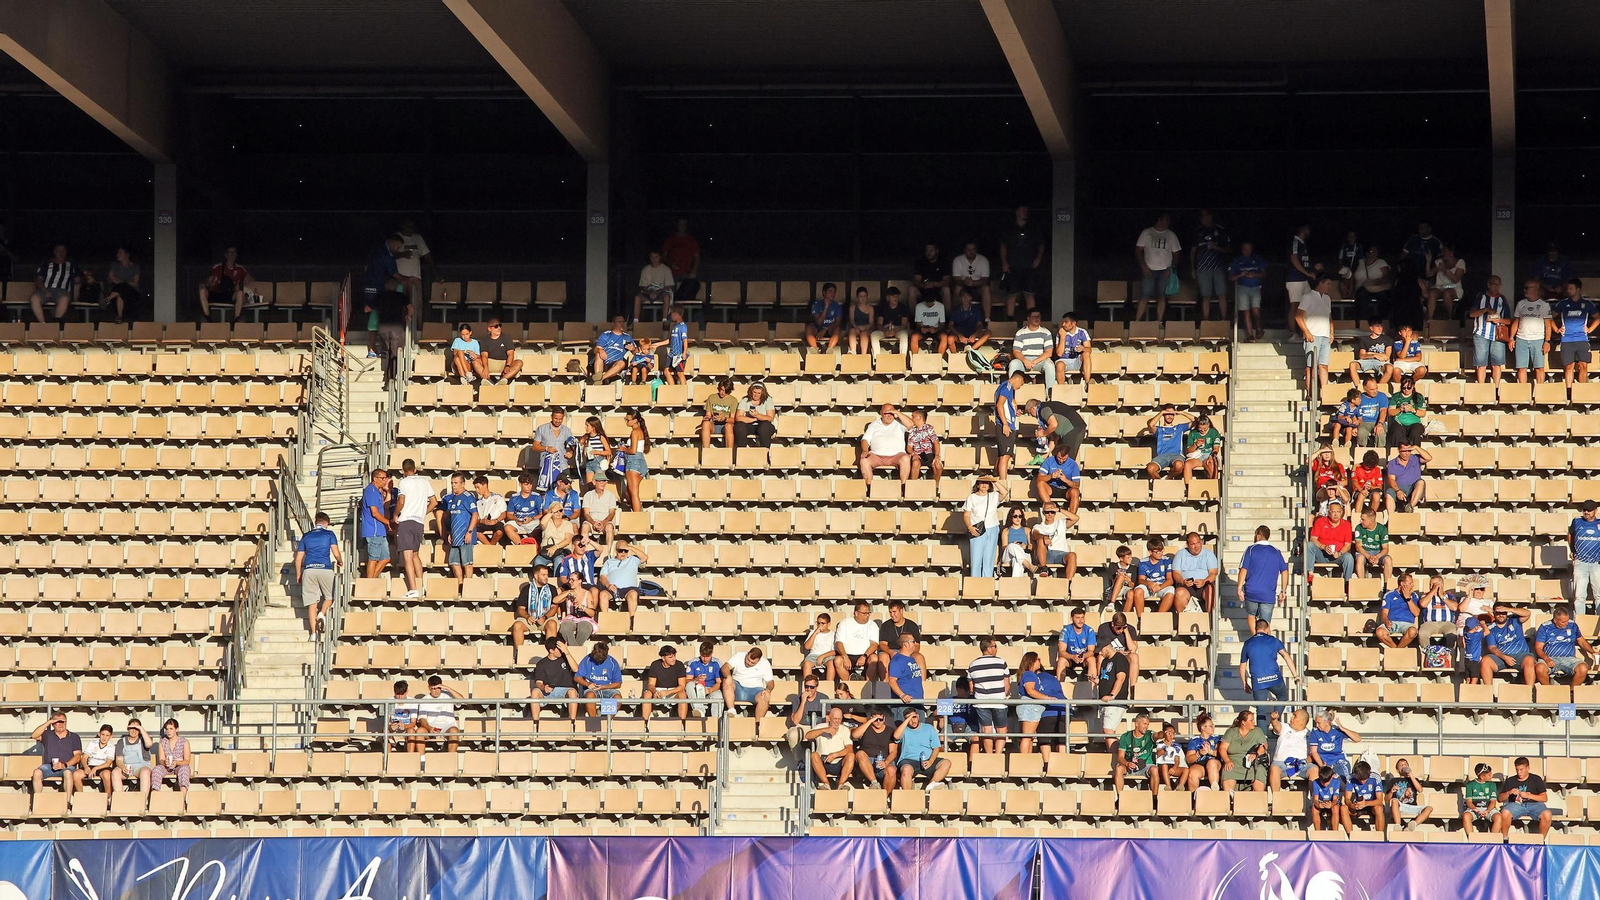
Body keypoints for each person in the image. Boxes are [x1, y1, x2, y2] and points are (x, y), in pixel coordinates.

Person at [392, 459, 436, 599]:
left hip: (406, 520)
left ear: (403, 470)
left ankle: (413, 588)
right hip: (419, 521)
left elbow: (401, 501)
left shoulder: (404, 482)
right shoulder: (424, 481)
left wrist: (395, 513)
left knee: (407, 557)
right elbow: (434, 502)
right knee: (416, 555)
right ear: (415, 469)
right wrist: (423, 512)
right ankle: (420, 585)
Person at [1239, 618, 1295, 724]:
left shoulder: (1248, 643)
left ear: (1255, 629)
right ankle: (1275, 721)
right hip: (1274, 678)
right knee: (1282, 696)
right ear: (1267, 628)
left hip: (1258, 680)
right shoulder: (1273, 640)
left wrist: (1245, 683)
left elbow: (1242, 667)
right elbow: (1286, 655)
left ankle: (1262, 738)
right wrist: (1295, 675)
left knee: (1261, 710)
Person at [294, 511, 342, 636]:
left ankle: (313, 634)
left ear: (315, 522)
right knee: (330, 597)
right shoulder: (329, 534)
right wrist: (340, 561)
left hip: (309, 570)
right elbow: (336, 553)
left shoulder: (306, 536)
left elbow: (298, 559)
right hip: (325, 569)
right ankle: (322, 613)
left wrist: (298, 574)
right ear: (327, 523)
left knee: (312, 604)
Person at [1236, 526, 1289, 634]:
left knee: (1251, 615)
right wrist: (1283, 590)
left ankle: (1255, 638)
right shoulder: (1276, 552)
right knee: (1266, 623)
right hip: (1268, 593)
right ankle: (1265, 644)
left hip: (1252, 591)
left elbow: (1244, 569)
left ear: (1258, 536)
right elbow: (1285, 571)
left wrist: (1239, 588)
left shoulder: (1250, 549)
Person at [1016, 652, 1067, 757]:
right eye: (1038, 659)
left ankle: (1027, 760)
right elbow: (1030, 691)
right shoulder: (1029, 674)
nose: (1040, 661)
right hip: (1030, 707)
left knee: (1029, 737)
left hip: (1031, 707)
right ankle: (1023, 761)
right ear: (1032, 661)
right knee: (1027, 737)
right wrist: (1047, 698)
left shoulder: (1030, 674)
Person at [966, 638, 1011, 755]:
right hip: (999, 701)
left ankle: (989, 755)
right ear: (989, 648)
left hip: (981, 702)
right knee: (1002, 730)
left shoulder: (972, 664)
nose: (997, 648)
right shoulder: (1001, 662)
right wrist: (1001, 695)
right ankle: (998, 755)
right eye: (995, 646)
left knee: (986, 730)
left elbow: (971, 688)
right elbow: (1007, 685)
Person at [1293, 272, 1335, 393]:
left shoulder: (1327, 298)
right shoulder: (1308, 297)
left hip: (1325, 335)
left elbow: (1329, 317)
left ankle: (1324, 392)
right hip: (1313, 334)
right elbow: (1298, 316)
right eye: (1327, 284)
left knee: (1323, 365)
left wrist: (1331, 332)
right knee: (1311, 365)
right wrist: (1306, 332)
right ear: (1320, 283)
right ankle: (1310, 391)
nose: (1329, 286)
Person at [1134, 213, 1181, 322]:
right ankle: (1136, 322)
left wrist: (1171, 268)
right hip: (1148, 270)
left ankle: (1159, 322)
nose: (1168, 223)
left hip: (1165, 270)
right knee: (1144, 295)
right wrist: (1143, 266)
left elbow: (1177, 254)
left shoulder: (1171, 235)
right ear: (1159, 220)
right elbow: (1138, 251)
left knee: (1162, 296)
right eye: (1166, 220)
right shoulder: (1147, 232)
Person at [1553, 278, 1599, 385]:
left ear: (1578, 289)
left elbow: (1597, 317)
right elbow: (1549, 317)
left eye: (1571, 288)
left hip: (1582, 339)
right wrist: (1556, 329)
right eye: (1567, 288)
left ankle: (1581, 391)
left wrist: (1590, 329)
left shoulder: (1587, 303)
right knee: (1569, 366)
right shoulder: (1563, 303)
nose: (1568, 290)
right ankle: (1569, 392)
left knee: (1583, 365)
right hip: (1567, 339)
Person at [1535, 605, 1595, 686]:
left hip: (1569, 659)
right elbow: (1538, 648)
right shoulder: (1545, 627)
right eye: (1563, 622)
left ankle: (1571, 692)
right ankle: (1548, 691)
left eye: (1567, 620)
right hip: (1550, 658)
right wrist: (1547, 659)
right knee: (1539, 668)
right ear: (1555, 620)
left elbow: (1581, 641)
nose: (1566, 623)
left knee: (1583, 668)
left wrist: (1592, 652)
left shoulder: (1572, 625)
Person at [437, 471, 479, 588]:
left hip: (466, 536)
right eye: (452, 483)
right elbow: (453, 517)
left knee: (467, 563)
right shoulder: (453, 499)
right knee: (454, 562)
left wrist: (469, 532)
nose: (453, 485)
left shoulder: (468, 497)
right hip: (455, 536)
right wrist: (450, 532)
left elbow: (475, 515)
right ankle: (461, 585)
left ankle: (469, 586)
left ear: (463, 484)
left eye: (456, 483)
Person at [29, 713, 83, 801]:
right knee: (36, 773)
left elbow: (77, 756)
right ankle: (37, 802)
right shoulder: (47, 735)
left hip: (67, 766)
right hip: (50, 766)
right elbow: (34, 735)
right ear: (53, 724)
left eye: (63, 721)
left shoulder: (74, 737)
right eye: (57, 722)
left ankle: (67, 803)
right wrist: (48, 722)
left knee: (67, 773)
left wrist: (65, 765)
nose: (61, 724)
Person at [1469, 276, 1513, 383]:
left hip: (1498, 335)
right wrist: (1485, 310)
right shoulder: (1481, 297)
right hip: (1480, 333)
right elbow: (1471, 314)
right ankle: (1481, 387)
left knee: (1497, 364)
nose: (1496, 287)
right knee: (1481, 364)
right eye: (1494, 284)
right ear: (1488, 285)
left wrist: (1499, 320)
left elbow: (1509, 320)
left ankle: (1496, 389)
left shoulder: (1502, 299)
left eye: (1498, 285)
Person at [1496, 756, 1553, 837]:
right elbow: (1500, 798)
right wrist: (1509, 792)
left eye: (1521, 769)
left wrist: (1529, 795)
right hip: (1516, 804)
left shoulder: (1536, 779)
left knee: (1547, 814)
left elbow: (1544, 798)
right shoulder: (1511, 780)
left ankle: (1541, 840)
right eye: (1517, 770)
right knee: (1505, 813)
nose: (1519, 772)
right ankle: (1504, 839)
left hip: (1535, 805)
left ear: (1528, 768)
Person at [1190, 208, 1231, 320]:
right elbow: (1193, 251)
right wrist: (1193, 268)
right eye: (1203, 216)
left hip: (1218, 267)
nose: (1205, 218)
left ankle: (1223, 319)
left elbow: (1228, 250)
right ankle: (1206, 321)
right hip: (1203, 268)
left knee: (1222, 294)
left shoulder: (1220, 230)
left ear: (1211, 216)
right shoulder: (1198, 231)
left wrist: (1216, 247)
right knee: (1205, 296)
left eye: (1207, 215)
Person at [893, 709, 950, 789]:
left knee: (946, 763)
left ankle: (931, 785)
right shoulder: (903, 729)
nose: (913, 721)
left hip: (927, 759)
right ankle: (906, 796)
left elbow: (936, 747)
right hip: (909, 760)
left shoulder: (929, 728)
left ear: (918, 716)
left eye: (914, 717)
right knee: (906, 769)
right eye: (909, 718)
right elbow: (896, 736)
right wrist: (907, 720)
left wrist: (930, 761)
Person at [1512, 277, 1554, 384]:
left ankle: (1540, 394)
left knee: (1539, 368)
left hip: (1538, 339)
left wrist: (1547, 341)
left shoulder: (1544, 305)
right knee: (1521, 368)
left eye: (1527, 288)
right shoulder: (1520, 304)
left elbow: (1548, 325)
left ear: (1536, 289)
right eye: (1524, 288)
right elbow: (1516, 321)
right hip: (1521, 339)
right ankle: (1523, 394)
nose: (1525, 290)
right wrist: (1511, 338)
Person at [963, 476, 1006, 578]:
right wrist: (970, 527)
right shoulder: (971, 498)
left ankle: (987, 583)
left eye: (986, 483)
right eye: (982, 483)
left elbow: (1004, 492)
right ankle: (975, 583)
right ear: (977, 484)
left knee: (989, 559)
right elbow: (966, 515)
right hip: (977, 529)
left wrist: (994, 481)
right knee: (976, 559)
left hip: (992, 528)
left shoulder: (993, 496)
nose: (984, 485)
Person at [1483, 604, 1536, 684]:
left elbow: (1527, 613)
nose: (1501, 615)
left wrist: (1509, 609)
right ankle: (1489, 693)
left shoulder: (1514, 620)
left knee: (1529, 660)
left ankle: (1529, 692)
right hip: (1502, 656)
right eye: (1498, 613)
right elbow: (1492, 648)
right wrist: (1504, 657)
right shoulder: (1491, 628)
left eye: (1503, 612)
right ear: (1494, 613)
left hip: (1520, 654)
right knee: (1485, 661)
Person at [196, 246, 253, 321]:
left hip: (230, 295)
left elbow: (251, 281)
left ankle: (237, 318)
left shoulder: (240, 269)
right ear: (226, 255)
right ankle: (207, 317)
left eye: (234, 253)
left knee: (240, 293)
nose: (232, 255)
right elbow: (207, 280)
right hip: (216, 293)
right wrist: (206, 283)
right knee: (202, 290)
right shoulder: (217, 267)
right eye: (230, 252)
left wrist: (242, 285)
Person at [1218, 709, 1270, 792]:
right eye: (1251, 720)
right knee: (1228, 769)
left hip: (1253, 761)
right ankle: (1229, 797)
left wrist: (1256, 754)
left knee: (1260, 770)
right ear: (1243, 722)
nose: (1254, 722)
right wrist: (1227, 761)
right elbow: (1222, 748)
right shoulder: (1231, 732)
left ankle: (1259, 798)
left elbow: (1264, 746)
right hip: (1234, 761)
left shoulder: (1257, 731)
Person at [859, 403, 911, 485]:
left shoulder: (900, 424)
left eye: (891, 413)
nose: (889, 415)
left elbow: (911, 424)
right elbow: (865, 440)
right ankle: (869, 487)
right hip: (876, 456)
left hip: (896, 455)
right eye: (886, 413)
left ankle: (903, 486)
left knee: (905, 458)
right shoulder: (873, 425)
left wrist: (897, 412)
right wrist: (865, 450)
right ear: (881, 413)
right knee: (864, 460)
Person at [1026, 397, 1088, 463]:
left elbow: (1054, 425)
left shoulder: (1043, 409)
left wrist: (1043, 433)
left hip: (1072, 430)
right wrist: (1044, 456)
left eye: (1030, 413)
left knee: (1066, 460)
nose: (1032, 416)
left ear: (1032, 408)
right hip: (1075, 429)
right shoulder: (1046, 413)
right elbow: (1054, 438)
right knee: (1065, 459)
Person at [806, 707, 856, 789]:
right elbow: (808, 736)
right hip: (823, 761)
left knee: (851, 755)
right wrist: (824, 730)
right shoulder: (821, 727)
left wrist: (835, 755)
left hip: (839, 761)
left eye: (839, 719)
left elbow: (849, 748)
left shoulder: (845, 730)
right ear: (829, 718)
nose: (837, 721)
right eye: (835, 719)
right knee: (814, 755)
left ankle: (841, 784)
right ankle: (826, 784)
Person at [530, 638, 580, 720]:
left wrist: (567, 652)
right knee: (535, 692)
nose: (561, 650)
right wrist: (544, 688)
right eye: (559, 649)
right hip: (549, 691)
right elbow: (539, 682)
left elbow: (576, 669)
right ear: (551, 650)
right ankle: (536, 723)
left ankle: (572, 722)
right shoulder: (541, 664)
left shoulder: (566, 658)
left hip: (566, 690)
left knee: (572, 692)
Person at [511, 565, 559, 648]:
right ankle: (518, 654)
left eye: (547, 575)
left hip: (546, 618)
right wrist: (527, 617)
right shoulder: (526, 589)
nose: (546, 577)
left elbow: (554, 607)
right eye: (543, 575)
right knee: (517, 625)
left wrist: (545, 617)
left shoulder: (552, 588)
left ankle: (551, 653)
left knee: (552, 624)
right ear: (536, 576)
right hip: (530, 618)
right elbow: (520, 609)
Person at [1171, 531, 1219, 614]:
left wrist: (1204, 581)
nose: (1196, 546)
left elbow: (1213, 573)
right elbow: (1176, 573)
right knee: (1179, 593)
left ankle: (1209, 619)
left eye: (1198, 543)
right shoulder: (1180, 554)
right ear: (1187, 544)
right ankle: (1182, 621)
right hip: (1186, 585)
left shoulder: (1209, 554)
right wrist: (1183, 581)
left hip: (1204, 584)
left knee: (1210, 590)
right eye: (1193, 544)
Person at [1228, 240, 1267, 340]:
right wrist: (1240, 275)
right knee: (1246, 311)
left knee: (1256, 309)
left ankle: (1258, 328)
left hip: (1255, 287)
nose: (1247, 251)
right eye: (1245, 249)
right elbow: (1230, 277)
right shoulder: (1237, 261)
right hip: (1242, 287)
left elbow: (1264, 274)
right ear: (1242, 249)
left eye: (1249, 249)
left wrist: (1255, 275)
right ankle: (1250, 335)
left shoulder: (1257, 259)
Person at [640, 644, 691, 720]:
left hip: (674, 691)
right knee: (647, 694)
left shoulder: (679, 665)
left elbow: (682, 686)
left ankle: (682, 723)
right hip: (658, 690)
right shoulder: (655, 665)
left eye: (674, 656)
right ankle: (645, 723)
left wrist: (668, 692)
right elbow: (651, 684)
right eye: (670, 657)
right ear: (663, 658)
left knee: (683, 695)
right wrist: (655, 691)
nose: (673, 659)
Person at [596, 540, 647, 615]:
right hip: (612, 588)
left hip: (629, 589)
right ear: (616, 550)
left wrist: (631, 548)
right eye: (620, 550)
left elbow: (645, 557)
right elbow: (602, 576)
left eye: (625, 550)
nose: (623, 553)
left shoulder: (633, 559)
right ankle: (605, 618)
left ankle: (631, 620)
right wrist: (608, 585)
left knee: (633, 594)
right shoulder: (609, 562)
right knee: (603, 594)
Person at [1008, 309, 1056, 388]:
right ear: (1028, 319)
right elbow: (1016, 351)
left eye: (1038, 317)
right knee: (1013, 364)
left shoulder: (1046, 332)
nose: (1037, 319)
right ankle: (1011, 392)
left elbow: (1049, 352)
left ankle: (1050, 393)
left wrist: (1035, 361)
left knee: (1050, 365)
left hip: (1040, 360)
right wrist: (1025, 360)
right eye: (1034, 317)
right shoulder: (1020, 333)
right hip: (1024, 360)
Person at [411, 676, 463, 749]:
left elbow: (463, 700)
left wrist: (448, 688)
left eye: (438, 688)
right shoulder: (425, 700)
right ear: (429, 688)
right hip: (431, 727)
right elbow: (423, 719)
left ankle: (451, 758)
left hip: (447, 727)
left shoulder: (448, 695)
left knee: (454, 731)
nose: (436, 691)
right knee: (420, 731)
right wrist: (429, 728)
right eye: (433, 688)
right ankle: (422, 759)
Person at [1031, 440, 1082, 514]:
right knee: (1040, 484)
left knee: (1075, 492)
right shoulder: (1049, 461)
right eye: (1059, 458)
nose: (1061, 461)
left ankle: (1072, 516)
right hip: (1051, 488)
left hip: (1066, 490)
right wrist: (1051, 476)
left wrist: (1066, 480)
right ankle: (1050, 509)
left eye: (1063, 459)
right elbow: (1039, 479)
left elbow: (1077, 485)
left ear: (1067, 455)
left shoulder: (1073, 464)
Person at [1307, 712, 1361, 782]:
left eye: (1319, 723)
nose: (1317, 725)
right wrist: (1322, 766)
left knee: (1344, 779)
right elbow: (1314, 752)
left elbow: (1358, 739)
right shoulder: (1315, 732)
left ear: (1326, 722)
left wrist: (1343, 729)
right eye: (1316, 723)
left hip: (1338, 762)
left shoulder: (1337, 730)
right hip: (1323, 763)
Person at [661, 217, 701, 312]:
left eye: (684, 224)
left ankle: (694, 318)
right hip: (672, 274)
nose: (682, 226)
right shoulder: (671, 240)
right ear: (677, 226)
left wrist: (694, 271)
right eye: (680, 224)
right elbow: (664, 256)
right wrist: (671, 264)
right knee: (670, 296)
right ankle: (669, 318)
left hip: (687, 273)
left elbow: (697, 257)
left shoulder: (691, 240)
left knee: (692, 289)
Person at [851, 711, 897, 792]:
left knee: (891, 770)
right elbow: (855, 735)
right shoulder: (865, 728)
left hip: (883, 760)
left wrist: (885, 763)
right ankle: (874, 783)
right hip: (866, 762)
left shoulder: (890, 731)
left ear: (884, 719)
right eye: (876, 719)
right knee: (860, 753)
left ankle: (884, 798)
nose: (878, 722)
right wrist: (869, 721)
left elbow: (893, 752)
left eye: (880, 719)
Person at [722, 647, 774, 718]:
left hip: (755, 690)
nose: (749, 663)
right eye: (748, 660)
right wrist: (728, 676)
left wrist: (768, 690)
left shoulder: (765, 663)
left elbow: (770, 682)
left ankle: (757, 724)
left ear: (758, 660)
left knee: (765, 697)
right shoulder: (739, 656)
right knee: (726, 681)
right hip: (737, 687)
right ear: (747, 654)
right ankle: (731, 710)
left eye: (752, 663)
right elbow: (725, 667)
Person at [576, 641, 624, 718]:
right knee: (590, 696)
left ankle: (605, 722)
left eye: (601, 659)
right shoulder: (587, 660)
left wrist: (604, 687)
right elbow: (577, 677)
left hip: (607, 689)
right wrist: (588, 684)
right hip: (591, 689)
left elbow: (618, 683)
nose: (598, 660)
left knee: (618, 698)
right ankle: (594, 722)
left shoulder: (612, 662)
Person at [1031, 503, 1080, 580]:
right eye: (1047, 512)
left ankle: (1068, 584)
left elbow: (1076, 518)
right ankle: (1043, 568)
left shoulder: (1061, 523)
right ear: (1043, 513)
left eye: (1052, 511)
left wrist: (1059, 509)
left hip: (1061, 554)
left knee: (1072, 555)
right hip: (1046, 554)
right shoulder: (1038, 526)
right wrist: (1044, 537)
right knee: (1040, 540)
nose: (1050, 514)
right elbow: (1035, 534)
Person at [832, 602, 878, 682]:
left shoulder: (872, 625)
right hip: (847, 654)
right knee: (837, 660)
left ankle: (867, 686)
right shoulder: (845, 623)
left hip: (865, 655)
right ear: (856, 613)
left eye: (868, 613)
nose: (867, 615)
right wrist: (845, 656)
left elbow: (874, 645)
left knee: (874, 658)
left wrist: (864, 656)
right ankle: (849, 684)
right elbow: (839, 642)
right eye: (864, 613)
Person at [360, 469, 393, 578]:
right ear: (375, 478)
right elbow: (374, 512)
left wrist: (388, 491)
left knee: (385, 558)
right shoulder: (371, 491)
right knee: (373, 559)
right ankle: (369, 582)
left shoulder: (378, 492)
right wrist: (387, 522)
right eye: (383, 478)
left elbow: (385, 506)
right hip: (373, 530)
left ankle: (371, 580)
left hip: (379, 531)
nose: (385, 480)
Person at [1425, 243, 1465, 333]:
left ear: (1451, 252)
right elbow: (1429, 274)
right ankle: (1430, 319)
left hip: (1454, 288)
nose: (1443, 253)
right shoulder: (1439, 261)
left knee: (1447, 293)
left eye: (1445, 251)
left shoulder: (1460, 262)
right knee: (1432, 293)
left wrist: (1445, 271)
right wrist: (1428, 261)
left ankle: (1449, 317)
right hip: (1440, 287)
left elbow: (1456, 279)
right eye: (1442, 251)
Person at [1112, 712, 1156, 793]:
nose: (1146, 727)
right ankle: (1120, 798)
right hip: (1130, 765)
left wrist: (1163, 734)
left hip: (1146, 765)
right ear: (1136, 724)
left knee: (1155, 769)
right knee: (1119, 768)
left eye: (1148, 724)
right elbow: (1120, 757)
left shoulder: (1150, 734)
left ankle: (1154, 799)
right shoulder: (1125, 736)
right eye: (1144, 724)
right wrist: (1127, 763)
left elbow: (1157, 736)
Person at [531, 409, 575, 490]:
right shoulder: (541, 429)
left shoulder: (567, 430)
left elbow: (573, 445)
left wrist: (571, 452)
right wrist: (546, 448)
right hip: (546, 465)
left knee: (566, 490)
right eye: (556, 418)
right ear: (551, 417)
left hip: (562, 465)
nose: (558, 421)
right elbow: (535, 446)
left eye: (560, 419)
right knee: (545, 491)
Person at [1350, 243, 1393, 327]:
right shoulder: (1360, 262)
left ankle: (1382, 322)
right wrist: (1351, 291)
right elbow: (1352, 276)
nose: (1374, 253)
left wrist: (1377, 282)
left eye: (1375, 251)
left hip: (1377, 288)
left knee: (1384, 297)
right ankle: (1363, 322)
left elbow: (1386, 276)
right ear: (1367, 253)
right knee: (1361, 296)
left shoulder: (1381, 262)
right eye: (1371, 251)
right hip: (1362, 288)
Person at [1386, 758, 1434, 831]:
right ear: (1397, 770)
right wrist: (1391, 792)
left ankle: (1413, 824)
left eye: (1405, 764)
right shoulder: (1393, 781)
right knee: (1394, 801)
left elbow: (1420, 790)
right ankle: (1398, 826)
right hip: (1400, 806)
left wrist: (1410, 775)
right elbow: (1386, 800)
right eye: (1401, 765)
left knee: (1429, 808)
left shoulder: (1414, 780)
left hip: (1413, 806)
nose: (1403, 766)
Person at [1269, 709, 1311, 791]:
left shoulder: (1310, 734)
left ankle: (1315, 801)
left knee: (1314, 770)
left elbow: (1312, 753)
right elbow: (1277, 726)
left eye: (1295, 716)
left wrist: (1305, 761)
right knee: (1274, 769)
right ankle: (1276, 798)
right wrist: (1274, 719)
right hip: (1281, 763)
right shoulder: (1285, 727)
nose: (1291, 717)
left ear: (1302, 721)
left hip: (1301, 764)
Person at [993, 370, 1024, 481]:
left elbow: (1008, 404)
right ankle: (1003, 482)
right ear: (1019, 379)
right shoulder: (1007, 387)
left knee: (1003, 455)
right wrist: (1005, 424)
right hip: (1005, 424)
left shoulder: (1007, 388)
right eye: (1021, 384)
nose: (1020, 387)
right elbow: (999, 404)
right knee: (1005, 456)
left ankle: (998, 479)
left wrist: (1015, 411)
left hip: (1007, 423)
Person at [113, 719, 155, 799]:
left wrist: (141, 728)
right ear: (128, 729)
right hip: (126, 767)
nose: (134, 730)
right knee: (115, 772)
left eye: (136, 728)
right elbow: (119, 760)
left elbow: (149, 744)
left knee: (145, 772)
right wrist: (122, 767)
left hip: (141, 767)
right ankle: (120, 800)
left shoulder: (143, 739)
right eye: (132, 728)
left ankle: (143, 800)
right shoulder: (121, 742)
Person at [1377, 572, 1421, 648]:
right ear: (1402, 584)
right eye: (1410, 583)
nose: (1412, 585)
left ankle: (1397, 650)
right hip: (1392, 623)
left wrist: (1408, 598)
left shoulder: (1413, 595)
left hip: (1407, 624)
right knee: (1379, 632)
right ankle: (1396, 649)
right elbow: (1384, 614)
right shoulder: (1389, 595)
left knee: (1412, 631)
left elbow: (1416, 613)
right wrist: (1386, 621)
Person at [1571, 500, 1600, 617]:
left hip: (1597, 562)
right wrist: (1573, 550)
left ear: (1595, 510)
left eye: (1589, 510)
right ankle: (1580, 622)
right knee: (1579, 596)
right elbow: (1570, 534)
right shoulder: (1577, 521)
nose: (1586, 512)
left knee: (1598, 595)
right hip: (1581, 562)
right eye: (1584, 510)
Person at [101, 247, 144, 324]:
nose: (118, 254)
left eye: (120, 253)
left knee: (123, 285)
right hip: (117, 291)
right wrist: (115, 281)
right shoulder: (114, 265)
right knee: (120, 293)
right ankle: (119, 317)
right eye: (117, 253)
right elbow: (110, 278)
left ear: (127, 255)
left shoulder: (135, 267)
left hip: (131, 293)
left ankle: (107, 299)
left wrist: (122, 282)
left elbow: (135, 283)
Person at [1384, 443, 1430, 514]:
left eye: (1409, 451)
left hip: (1414, 488)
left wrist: (1416, 447)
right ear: (1399, 450)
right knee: (1389, 493)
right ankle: (1391, 518)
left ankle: (1409, 508)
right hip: (1399, 488)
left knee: (1421, 482)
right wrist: (1398, 491)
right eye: (1404, 451)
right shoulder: (1392, 463)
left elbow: (1429, 458)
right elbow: (1391, 480)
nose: (1407, 453)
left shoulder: (1415, 458)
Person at [475, 318, 523, 385]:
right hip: (490, 363)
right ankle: (488, 380)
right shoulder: (485, 340)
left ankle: (501, 380)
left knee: (519, 362)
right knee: (475, 362)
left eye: (500, 325)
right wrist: (486, 367)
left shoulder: (507, 338)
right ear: (489, 329)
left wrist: (508, 365)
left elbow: (511, 354)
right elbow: (484, 355)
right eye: (496, 326)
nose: (499, 328)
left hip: (504, 363)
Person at [633, 250, 676, 324]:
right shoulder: (645, 269)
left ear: (660, 257)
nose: (654, 259)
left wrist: (656, 292)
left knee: (666, 297)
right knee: (637, 298)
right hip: (648, 292)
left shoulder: (666, 269)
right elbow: (643, 286)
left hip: (661, 292)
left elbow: (668, 286)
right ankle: (636, 321)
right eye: (652, 257)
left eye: (656, 257)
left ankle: (664, 320)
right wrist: (650, 293)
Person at [952, 242, 993, 319]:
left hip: (978, 288)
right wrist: (965, 282)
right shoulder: (958, 260)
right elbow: (956, 279)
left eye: (973, 249)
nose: (971, 251)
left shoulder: (983, 260)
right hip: (963, 287)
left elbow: (986, 280)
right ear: (965, 250)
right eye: (969, 249)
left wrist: (973, 283)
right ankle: (955, 318)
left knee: (986, 288)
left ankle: (987, 319)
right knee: (957, 288)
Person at [1344, 760, 1387, 832]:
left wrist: (1365, 804)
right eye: (1360, 779)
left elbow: (1379, 800)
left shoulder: (1376, 778)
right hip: (1357, 804)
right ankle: (1350, 836)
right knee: (1343, 808)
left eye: (1364, 779)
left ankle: (1380, 837)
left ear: (1369, 774)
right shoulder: (1350, 778)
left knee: (1379, 808)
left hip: (1372, 805)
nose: (1362, 782)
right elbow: (1347, 798)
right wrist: (1352, 805)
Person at [945, 288, 991, 356]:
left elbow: (980, 325)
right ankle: (955, 357)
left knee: (988, 333)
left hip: (972, 331)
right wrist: (959, 335)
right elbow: (950, 325)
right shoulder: (956, 309)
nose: (965, 298)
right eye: (963, 296)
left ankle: (970, 351)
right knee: (950, 339)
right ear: (960, 298)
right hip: (959, 331)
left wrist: (975, 334)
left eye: (967, 296)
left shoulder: (976, 309)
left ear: (970, 298)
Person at [592, 316, 636, 384]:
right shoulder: (606, 335)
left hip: (615, 363)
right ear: (613, 324)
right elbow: (596, 349)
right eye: (619, 322)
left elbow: (637, 352)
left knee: (622, 363)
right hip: (604, 361)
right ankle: (598, 375)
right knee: (598, 355)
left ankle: (600, 379)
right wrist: (600, 350)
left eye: (623, 322)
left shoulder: (627, 337)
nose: (622, 324)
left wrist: (633, 349)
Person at [1183, 713, 1223, 790]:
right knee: (1193, 772)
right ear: (1203, 728)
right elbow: (1189, 759)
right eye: (1210, 726)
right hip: (1200, 763)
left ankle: (1215, 789)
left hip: (1214, 763)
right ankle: (1193, 796)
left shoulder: (1217, 739)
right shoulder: (1194, 740)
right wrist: (1199, 753)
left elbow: (1221, 753)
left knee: (1211, 763)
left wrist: (1210, 751)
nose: (1213, 727)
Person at [1349, 320, 1394, 386]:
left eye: (1381, 326)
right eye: (1377, 326)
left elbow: (1386, 356)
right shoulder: (1364, 339)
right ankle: (1358, 388)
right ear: (1371, 328)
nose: (1380, 328)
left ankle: (1379, 388)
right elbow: (1361, 356)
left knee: (1390, 368)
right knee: (1352, 365)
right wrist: (1374, 355)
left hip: (1380, 362)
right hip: (1367, 361)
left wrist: (1369, 353)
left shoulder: (1387, 339)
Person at [1181, 413, 1223, 483]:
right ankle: (1188, 487)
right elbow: (1188, 451)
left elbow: (1216, 448)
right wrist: (1195, 445)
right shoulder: (1193, 433)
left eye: (1205, 429)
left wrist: (1211, 456)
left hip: (1209, 455)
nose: (1202, 430)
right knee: (1187, 464)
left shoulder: (1214, 432)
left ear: (1208, 425)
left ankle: (1212, 486)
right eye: (1200, 428)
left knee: (1211, 464)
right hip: (1198, 456)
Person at [1352, 508, 1392, 583]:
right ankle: (1361, 583)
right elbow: (1358, 546)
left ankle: (1387, 585)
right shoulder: (1359, 528)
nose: (1361, 521)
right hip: (1364, 552)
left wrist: (1377, 557)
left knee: (1388, 560)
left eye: (1363, 519)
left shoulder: (1382, 529)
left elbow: (1385, 548)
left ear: (1371, 520)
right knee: (1360, 558)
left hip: (1377, 552)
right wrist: (1368, 556)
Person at [904, 409, 944, 482]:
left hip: (928, 454)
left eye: (913, 416)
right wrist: (913, 453)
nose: (911, 418)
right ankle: (913, 485)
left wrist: (937, 456)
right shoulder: (912, 431)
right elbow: (909, 447)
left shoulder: (929, 429)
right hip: (918, 454)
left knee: (938, 465)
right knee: (916, 463)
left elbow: (936, 442)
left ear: (919, 417)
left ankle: (936, 486)